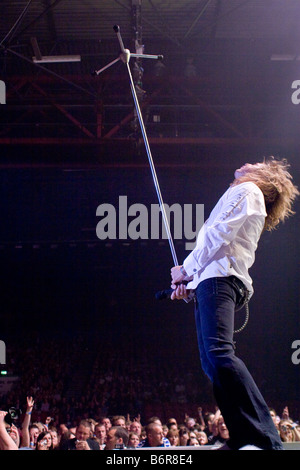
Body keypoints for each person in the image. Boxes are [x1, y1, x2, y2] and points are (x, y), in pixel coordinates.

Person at [170, 157, 299, 450]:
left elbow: (219, 235)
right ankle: (243, 437)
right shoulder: (244, 192)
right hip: (212, 280)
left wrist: (186, 271)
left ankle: (264, 437)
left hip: (221, 280)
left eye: (258, 163)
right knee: (211, 362)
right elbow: (217, 247)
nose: (250, 162)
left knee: (219, 354)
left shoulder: (249, 190)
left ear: (265, 177)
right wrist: (187, 284)